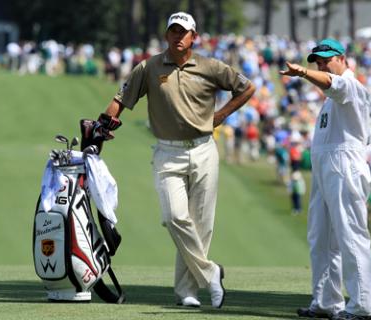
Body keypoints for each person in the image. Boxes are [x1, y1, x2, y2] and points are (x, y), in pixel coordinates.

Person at [93, 12, 255, 308]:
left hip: (204, 150)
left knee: (201, 225)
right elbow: (121, 100)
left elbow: (247, 88)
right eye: (173, 31)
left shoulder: (210, 66)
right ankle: (211, 274)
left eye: (184, 32)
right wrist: (101, 127)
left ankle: (186, 293)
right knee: (174, 217)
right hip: (168, 153)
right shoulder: (150, 67)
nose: (178, 37)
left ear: (194, 37)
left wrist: (221, 116)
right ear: (166, 35)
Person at [280, 39, 371, 320]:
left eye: (326, 59)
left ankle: (362, 307)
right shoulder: (329, 99)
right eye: (318, 61)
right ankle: (325, 301)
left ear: (342, 58)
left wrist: (303, 73)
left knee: (350, 235)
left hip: (345, 166)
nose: (321, 65)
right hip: (326, 167)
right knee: (320, 238)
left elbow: (334, 84)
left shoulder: (350, 86)